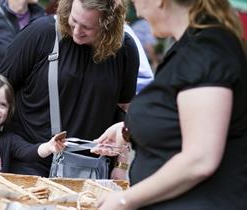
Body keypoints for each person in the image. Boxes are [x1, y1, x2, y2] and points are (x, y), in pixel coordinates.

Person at [92, 0, 247, 209]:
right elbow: (178, 120)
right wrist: (127, 130)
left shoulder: (206, 50)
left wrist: (123, 200)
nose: (136, 10)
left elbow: (200, 158)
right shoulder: (191, 45)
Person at [0, 0, 139, 177]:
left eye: (88, 27)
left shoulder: (124, 48)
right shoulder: (41, 33)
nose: (77, 32)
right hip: (29, 162)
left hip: (91, 169)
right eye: (74, 20)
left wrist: (121, 165)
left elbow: (123, 113)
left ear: (108, 24)